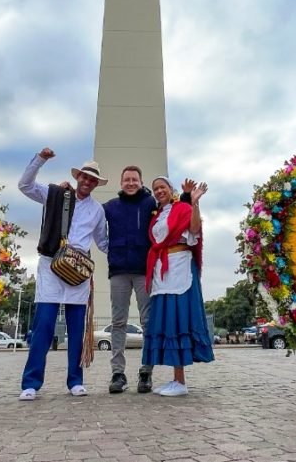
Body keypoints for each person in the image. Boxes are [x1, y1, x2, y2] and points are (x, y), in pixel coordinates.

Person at [17, 148, 108, 400]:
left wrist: (130, 251)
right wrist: (40, 159)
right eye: (85, 177)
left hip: (78, 270)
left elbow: (103, 242)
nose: (87, 182)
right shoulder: (56, 194)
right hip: (51, 264)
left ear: (96, 184)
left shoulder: (97, 211)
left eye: (92, 180)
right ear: (78, 177)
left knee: (77, 329)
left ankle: (75, 380)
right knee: (43, 325)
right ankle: (31, 383)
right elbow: (24, 185)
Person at [101, 166, 190, 394]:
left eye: (135, 179)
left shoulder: (151, 204)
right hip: (119, 271)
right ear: (121, 183)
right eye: (126, 179)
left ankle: (145, 372)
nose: (130, 183)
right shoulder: (109, 207)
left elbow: (175, 208)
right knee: (118, 322)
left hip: (145, 271)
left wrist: (189, 197)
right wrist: (110, 251)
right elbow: (94, 225)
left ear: (141, 182)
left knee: (147, 321)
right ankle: (118, 373)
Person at [142, 177, 214, 397]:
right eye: (155, 189)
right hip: (162, 270)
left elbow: (194, 229)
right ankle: (176, 378)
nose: (159, 191)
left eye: (162, 187)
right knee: (167, 322)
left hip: (179, 266)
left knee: (178, 319)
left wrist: (195, 203)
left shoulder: (182, 207)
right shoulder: (157, 216)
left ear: (170, 189)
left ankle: (180, 381)